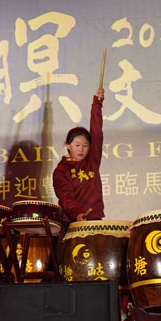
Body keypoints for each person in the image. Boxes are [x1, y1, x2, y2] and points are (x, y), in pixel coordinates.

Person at [52, 87, 105, 225]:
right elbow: (65, 197)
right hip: (71, 222)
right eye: (77, 145)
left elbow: (97, 132)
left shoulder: (92, 161)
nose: (81, 149)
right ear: (68, 145)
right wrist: (77, 213)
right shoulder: (61, 170)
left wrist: (97, 104)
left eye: (85, 145)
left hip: (94, 220)